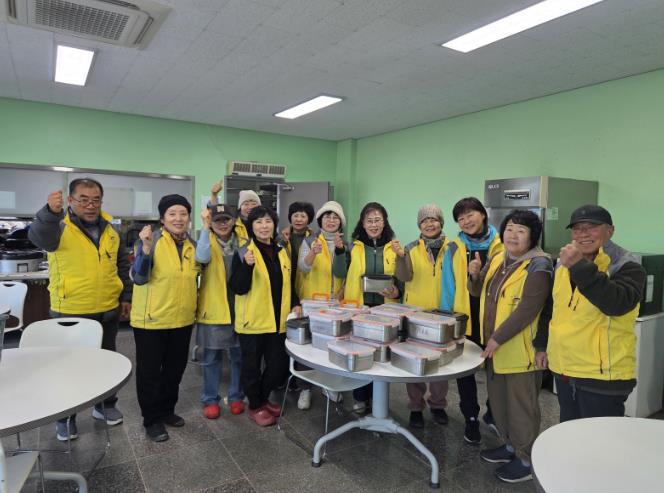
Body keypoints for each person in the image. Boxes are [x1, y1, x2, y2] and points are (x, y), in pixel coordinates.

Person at [29, 178, 131, 442]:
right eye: (83, 199)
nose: (90, 205)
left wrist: (126, 297)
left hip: (107, 308)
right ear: (71, 201)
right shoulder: (58, 226)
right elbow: (38, 237)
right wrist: (49, 213)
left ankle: (104, 406)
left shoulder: (110, 228)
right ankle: (65, 418)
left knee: (106, 363)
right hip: (70, 311)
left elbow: (121, 263)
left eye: (96, 200)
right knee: (68, 368)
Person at [534, 205, 645, 422]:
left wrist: (579, 266)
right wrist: (541, 345)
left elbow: (617, 303)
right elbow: (552, 308)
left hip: (602, 376)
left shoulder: (626, 265)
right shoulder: (562, 265)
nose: (583, 234)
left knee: (600, 438)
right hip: (565, 368)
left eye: (592, 227)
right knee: (571, 431)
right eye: (577, 229)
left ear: (610, 231)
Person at [468, 210, 553, 483]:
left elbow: (528, 309)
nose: (513, 235)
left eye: (521, 231)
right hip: (494, 348)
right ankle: (509, 446)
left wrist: (497, 338)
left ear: (532, 236)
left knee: (521, 408)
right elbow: (478, 292)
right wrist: (474, 276)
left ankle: (526, 459)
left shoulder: (539, 265)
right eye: (509, 229)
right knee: (500, 403)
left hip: (520, 350)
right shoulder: (498, 257)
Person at [131, 194, 200, 442]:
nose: (178, 218)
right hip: (151, 319)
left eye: (183, 214)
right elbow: (139, 278)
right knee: (149, 373)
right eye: (172, 214)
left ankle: (167, 410)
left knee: (174, 370)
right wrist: (145, 250)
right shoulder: (150, 240)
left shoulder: (192, 245)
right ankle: (151, 419)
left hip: (182, 319)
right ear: (162, 218)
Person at [229, 206, 302, 427]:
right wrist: (247, 266)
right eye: (259, 222)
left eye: (268, 221)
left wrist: (296, 303)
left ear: (274, 224)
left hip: (278, 321)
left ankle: (261, 399)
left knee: (278, 366)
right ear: (251, 226)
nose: (264, 226)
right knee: (251, 367)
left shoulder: (282, 249)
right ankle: (255, 405)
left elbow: (288, 282)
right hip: (253, 321)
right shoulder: (244, 252)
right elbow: (238, 287)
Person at [440, 197, 503, 444]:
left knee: (497, 369)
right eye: (461, 218)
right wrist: (447, 317)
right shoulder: (454, 248)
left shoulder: (502, 244)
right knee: (464, 370)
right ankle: (471, 417)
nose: (466, 221)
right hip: (465, 315)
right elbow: (448, 285)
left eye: (470, 215)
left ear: (483, 214)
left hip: (495, 317)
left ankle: (494, 412)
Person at [333, 202, 402, 414]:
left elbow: (402, 278)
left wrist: (397, 292)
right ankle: (360, 397)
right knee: (361, 353)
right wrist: (339, 251)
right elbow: (339, 272)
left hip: (385, 310)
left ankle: (379, 398)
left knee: (382, 355)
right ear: (362, 224)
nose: (373, 224)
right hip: (359, 308)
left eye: (377, 220)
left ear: (384, 222)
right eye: (369, 220)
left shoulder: (393, 247)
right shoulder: (353, 247)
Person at [393, 204, 450, 429]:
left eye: (433, 219)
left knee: (439, 363)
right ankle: (415, 406)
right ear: (419, 225)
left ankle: (438, 404)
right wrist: (400, 257)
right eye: (424, 221)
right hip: (415, 313)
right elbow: (404, 276)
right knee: (414, 361)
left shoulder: (452, 247)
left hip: (442, 313)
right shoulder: (410, 248)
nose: (429, 224)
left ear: (441, 223)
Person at [196, 200, 244, 420]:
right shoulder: (204, 240)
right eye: (217, 220)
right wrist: (205, 229)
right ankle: (210, 399)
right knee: (211, 356)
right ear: (211, 222)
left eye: (226, 219)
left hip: (240, 306)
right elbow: (202, 258)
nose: (222, 224)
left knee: (239, 355)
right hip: (214, 306)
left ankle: (236, 396)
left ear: (233, 221)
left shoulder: (244, 242)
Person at [295, 200, 346, 410]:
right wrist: (313, 253)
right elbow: (303, 268)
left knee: (331, 346)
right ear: (320, 220)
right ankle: (305, 389)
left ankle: (328, 385)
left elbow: (347, 273)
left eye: (335, 217)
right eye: (327, 216)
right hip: (313, 302)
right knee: (307, 346)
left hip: (337, 304)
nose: (331, 221)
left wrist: (342, 293)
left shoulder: (347, 244)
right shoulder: (310, 241)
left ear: (340, 222)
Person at [279, 201, 315, 299]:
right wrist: (284, 242)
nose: (298, 219)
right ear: (290, 217)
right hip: (286, 282)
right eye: (295, 216)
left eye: (303, 216)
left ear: (309, 219)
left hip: (306, 283)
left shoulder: (314, 239)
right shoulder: (281, 238)